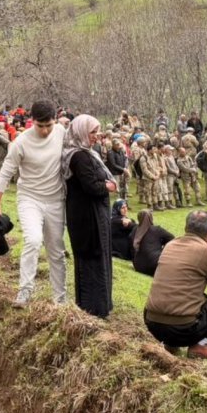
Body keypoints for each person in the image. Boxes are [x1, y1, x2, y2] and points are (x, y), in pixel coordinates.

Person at [0, 101, 68, 306]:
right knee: (33, 240)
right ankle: (25, 291)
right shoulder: (21, 142)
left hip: (55, 200)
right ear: (32, 122)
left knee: (56, 250)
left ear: (55, 121)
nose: (45, 130)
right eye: (40, 126)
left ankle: (60, 298)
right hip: (30, 198)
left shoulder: (61, 132)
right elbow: (6, 172)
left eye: (48, 125)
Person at [144, 211, 207, 360]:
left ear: (186, 227)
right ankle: (202, 344)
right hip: (182, 329)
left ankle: (171, 345)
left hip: (152, 324)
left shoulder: (170, 245)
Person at [63, 115, 117, 319]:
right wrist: (108, 185)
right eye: (92, 132)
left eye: (97, 131)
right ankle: (93, 308)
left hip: (94, 214)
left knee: (99, 257)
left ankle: (100, 305)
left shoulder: (87, 153)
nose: (96, 136)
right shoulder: (79, 157)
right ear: (81, 132)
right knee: (91, 258)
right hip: (88, 217)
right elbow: (91, 186)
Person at [132, 209, 175, 276]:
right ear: (150, 218)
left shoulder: (135, 230)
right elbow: (172, 238)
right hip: (154, 265)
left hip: (138, 265)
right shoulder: (156, 229)